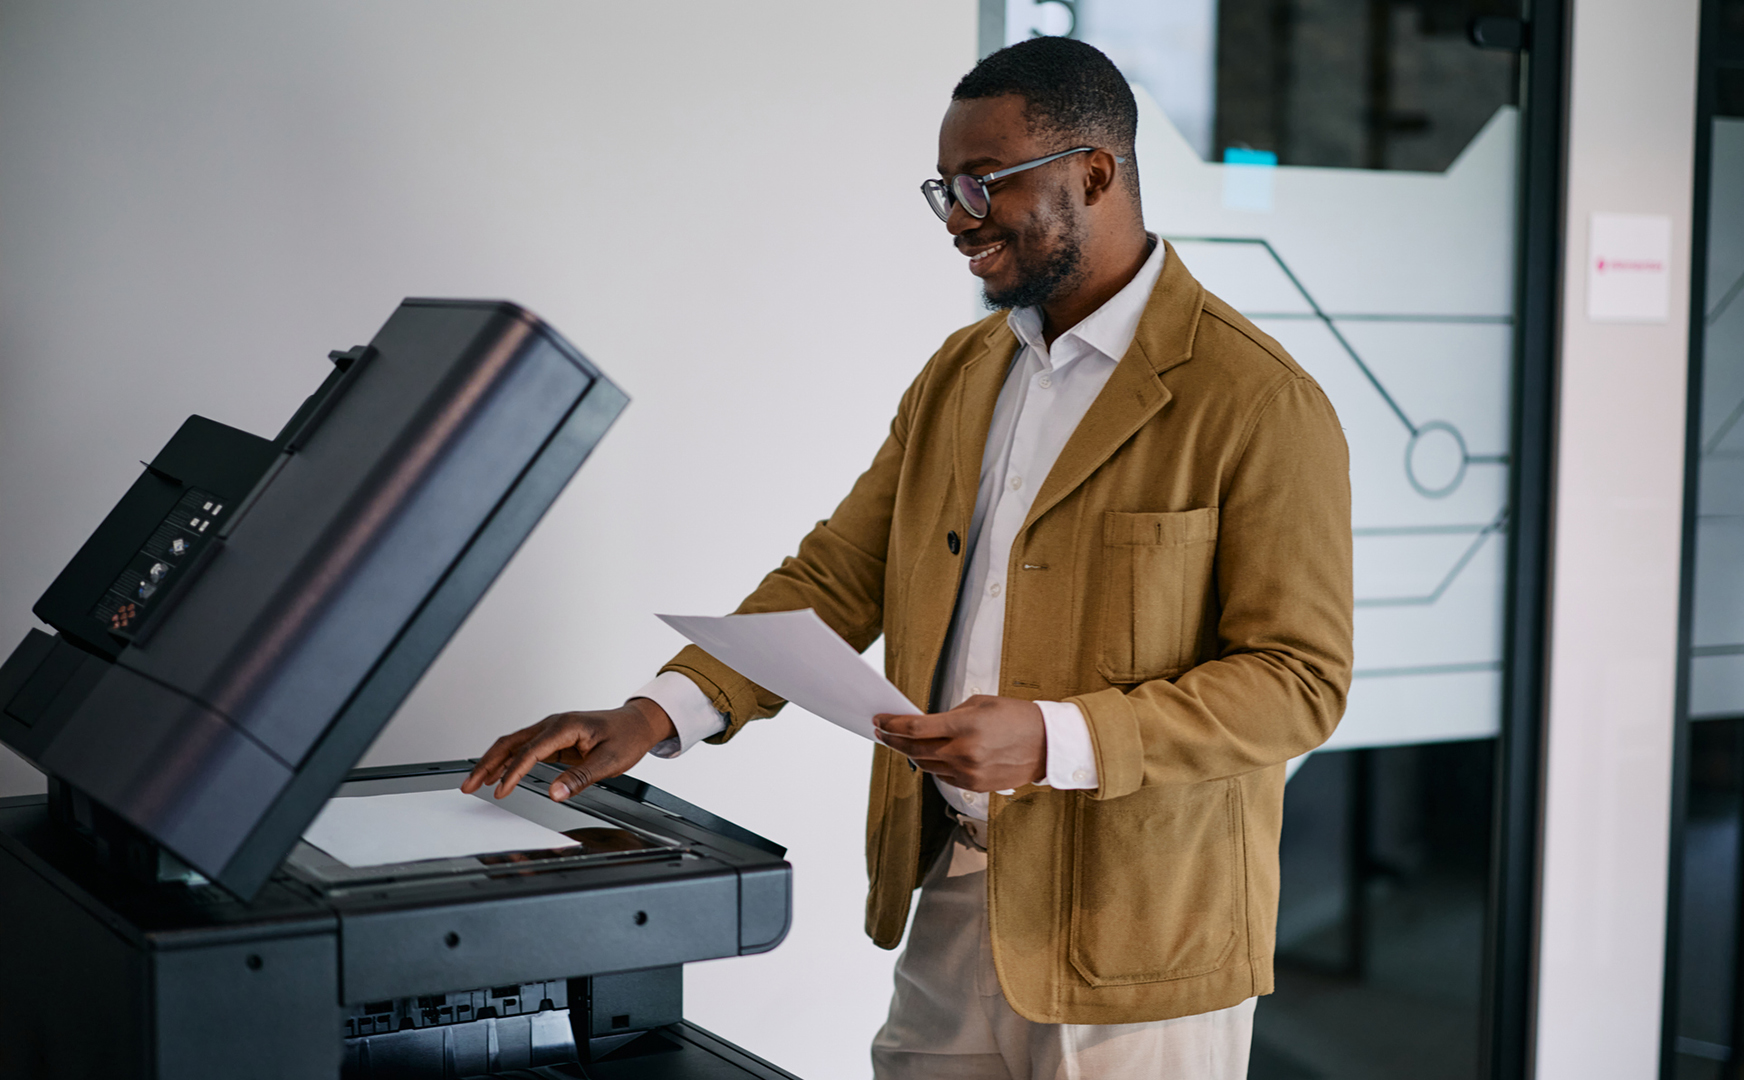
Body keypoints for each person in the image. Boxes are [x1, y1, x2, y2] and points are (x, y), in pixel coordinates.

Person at [462, 36, 1352, 1080]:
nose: (959, 220)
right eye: (945, 189)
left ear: (1094, 174)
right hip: (954, 894)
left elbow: (1299, 682)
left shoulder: (1255, 401)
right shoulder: (964, 374)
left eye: (985, 184)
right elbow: (841, 571)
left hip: (1140, 944)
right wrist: (656, 714)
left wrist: (1057, 738)